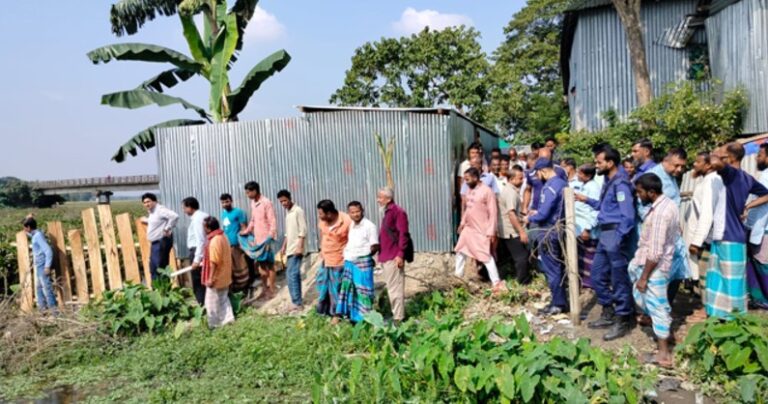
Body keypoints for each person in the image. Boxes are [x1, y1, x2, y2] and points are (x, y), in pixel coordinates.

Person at [576, 146, 637, 341]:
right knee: (597, 275)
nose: (596, 165)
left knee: (619, 279)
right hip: (605, 234)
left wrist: (618, 239)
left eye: (599, 162)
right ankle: (608, 311)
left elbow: (627, 216)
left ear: (610, 163)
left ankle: (623, 318)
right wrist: (587, 200)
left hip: (614, 235)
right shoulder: (609, 181)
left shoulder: (621, 184)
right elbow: (605, 207)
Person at [707, 144, 768, 319]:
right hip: (731, 235)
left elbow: (716, 164)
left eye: (723, 153)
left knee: (730, 281)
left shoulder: (731, 173)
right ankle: (719, 315)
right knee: (723, 278)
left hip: (728, 235)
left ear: (731, 158)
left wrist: (715, 154)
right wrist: (748, 206)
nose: (719, 154)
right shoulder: (746, 178)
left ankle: (734, 318)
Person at [631, 173, 679, 368]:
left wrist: (644, 277)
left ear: (651, 192)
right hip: (658, 265)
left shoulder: (660, 213)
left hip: (655, 268)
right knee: (655, 304)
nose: (638, 195)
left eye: (640, 192)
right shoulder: (668, 204)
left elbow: (656, 251)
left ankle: (664, 355)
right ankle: (664, 337)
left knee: (657, 307)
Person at [645, 148, 690, 304]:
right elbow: (643, 206)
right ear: (666, 160)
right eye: (676, 165)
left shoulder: (671, 177)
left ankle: (664, 305)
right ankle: (654, 309)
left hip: (672, 233)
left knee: (677, 269)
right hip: (658, 232)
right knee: (657, 271)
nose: (679, 170)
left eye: (682, 167)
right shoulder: (652, 177)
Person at [455, 168, 507, 293]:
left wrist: (491, 231)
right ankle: (457, 277)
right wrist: (462, 222)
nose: (465, 182)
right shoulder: (469, 190)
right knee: (460, 250)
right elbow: (468, 208)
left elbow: (493, 212)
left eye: (467, 179)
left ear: (475, 178)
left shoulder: (487, 191)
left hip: (481, 229)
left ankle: (496, 282)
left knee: (485, 256)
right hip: (469, 228)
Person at [685, 152, 723, 321]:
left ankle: (706, 310)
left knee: (705, 275)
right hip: (704, 237)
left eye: (698, 162)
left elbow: (707, 214)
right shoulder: (707, 181)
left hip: (705, 238)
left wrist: (696, 241)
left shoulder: (710, 182)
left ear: (708, 165)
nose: (694, 164)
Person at [528, 158, 569, 314]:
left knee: (552, 269)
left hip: (548, 231)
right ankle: (558, 300)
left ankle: (558, 303)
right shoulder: (562, 183)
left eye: (537, 173)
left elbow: (544, 214)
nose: (537, 177)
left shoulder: (551, 186)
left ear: (543, 171)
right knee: (555, 267)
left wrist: (530, 217)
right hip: (555, 229)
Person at [336, 201, 379, 323]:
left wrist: (365, 257)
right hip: (349, 261)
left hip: (362, 263)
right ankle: (354, 318)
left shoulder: (369, 226)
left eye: (358, 211)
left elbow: (375, 245)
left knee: (364, 291)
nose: (355, 214)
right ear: (349, 213)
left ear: (362, 211)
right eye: (352, 212)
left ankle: (365, 319)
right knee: (351, 290)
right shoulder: (351, 225)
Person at [377, 187, 411, 324]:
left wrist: (400, 254)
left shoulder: (398, 212)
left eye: (380, 198)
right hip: (387, 255)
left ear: (388, 199)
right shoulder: (387, 212)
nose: (378, 200)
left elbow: (404, 234)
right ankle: (396, 315)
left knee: (395, 288)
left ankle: (398, 318)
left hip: (394, 256)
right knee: (392, 287)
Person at [240, 181, 278, 300]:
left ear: (255, 190)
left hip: (266, 239)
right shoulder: (253, 203)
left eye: (248, 192)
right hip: (258, 239)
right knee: (261, 265)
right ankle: (264, 289)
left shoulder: (266, 202)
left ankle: (272, 290)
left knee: (270, 264)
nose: (247, 195)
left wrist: (270, 236)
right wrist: (246, 231)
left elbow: (272, 221)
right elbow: (253, 220)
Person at [316, 200, 352, 317]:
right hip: (326, 259)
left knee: (336, 288)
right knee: (322, 285)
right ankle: (324, 311)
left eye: (321, 214)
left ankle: (338, 313)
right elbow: (323, 234)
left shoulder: (346, 221)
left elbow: (352, 239)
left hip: (339, 260)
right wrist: (322, 250)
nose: (319, 216)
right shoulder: (323, 221)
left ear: (329, 213)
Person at [497, 164, 530, 284]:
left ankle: (501, 278)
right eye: (520, 178)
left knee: (507, 257)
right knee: (521, 257)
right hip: (511, 230)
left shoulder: (510, 190)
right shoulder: (510, 193)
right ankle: (523, 281)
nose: (522, 181)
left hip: (507, 229)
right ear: (511, 179)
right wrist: (521, 232)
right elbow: (511, 214)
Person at [201, 216, 235, 328]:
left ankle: (214, 324)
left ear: (209, 228)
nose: (203, 229)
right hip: (225, 274)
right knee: (223, 299)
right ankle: (228, 319)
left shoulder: (214, 240)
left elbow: (214, 262)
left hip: (217, 276)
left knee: (211, 302)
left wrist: (210, 278)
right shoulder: (223, 236)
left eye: (204, 227)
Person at [277, 190, 308, 312]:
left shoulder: (298, 211)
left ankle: (297, 303)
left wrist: (300, 246)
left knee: (292, 274)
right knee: (290, 275)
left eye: (285, 200)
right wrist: (284, 245)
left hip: (296, 248)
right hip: (290, 248)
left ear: (290, 198)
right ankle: (296, 301)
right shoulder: (288, 213)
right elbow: (288, 232)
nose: (283, 203)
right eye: (281, 202)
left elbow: (303, 230)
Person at [746, 144, 768, 309]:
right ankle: (759, 298)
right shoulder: (763, 174)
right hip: (758, 226)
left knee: (762, 263)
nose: (757, 157)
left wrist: (748, 206)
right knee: (756, 261)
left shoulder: (767, 175)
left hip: (764, 228)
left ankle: (764, 299)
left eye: (760, 154)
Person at [573, 164, 600, 289]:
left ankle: (592, 285)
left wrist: (587, 228)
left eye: (580, 173)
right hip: (580, 228)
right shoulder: (584, 185)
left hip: (588, 230)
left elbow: (595, 211)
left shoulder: (593, 188)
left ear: (588, 175)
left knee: (590, 258)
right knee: (583, 258)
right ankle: (586, 283)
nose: (578, 175)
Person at [140, 193, 179, 282]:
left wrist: (167, 228)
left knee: (160, 267)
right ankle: (156, 290)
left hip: (161, 242)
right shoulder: (153, 212)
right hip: (155, 243)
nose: (146, 204)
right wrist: (146, 220)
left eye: (148, 201)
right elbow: (157, 221)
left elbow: (174, 216)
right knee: (153, 267)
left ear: (155, 201)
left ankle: (164, 291)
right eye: (144, 202)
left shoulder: (160, 209)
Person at [23, 217, 57, 312]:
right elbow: (32, 236)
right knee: (39, 287)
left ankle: (55, 312)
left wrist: (47, 266)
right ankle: (42, 309)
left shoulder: (37, 236)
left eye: (25, 228)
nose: (24, 230)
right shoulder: (37, 234)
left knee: (46, 288)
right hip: (39, 265)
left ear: (29, 227)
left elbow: (48, 251)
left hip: (42, 265)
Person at [219, 193, 250, 292]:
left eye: (227, 201)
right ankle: (237, 290)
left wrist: (243, 244)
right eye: (223, 202)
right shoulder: (223, 214)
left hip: (237, 245)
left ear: (231, 201)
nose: (225, 204)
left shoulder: (238, 212)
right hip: (228, 245)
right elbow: (225, 229)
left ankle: (246, 288)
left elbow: (244, 227)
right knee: (232, 268)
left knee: (241, 266)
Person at [183, 197, 209, 305]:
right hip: (202, 251)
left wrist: (197, 259)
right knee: (204, 278)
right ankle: (206, 302)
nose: (184, 210)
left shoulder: (197, 218)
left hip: (197, 251)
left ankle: (202, 303)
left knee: (198, 280)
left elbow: (201, 240)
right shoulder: (202, 215)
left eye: (184, 208)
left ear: (190, 207)